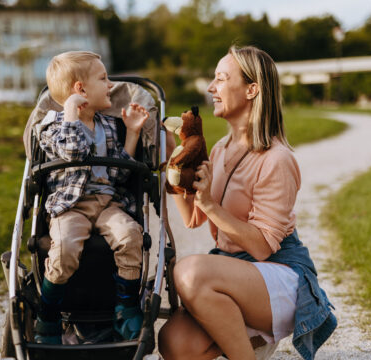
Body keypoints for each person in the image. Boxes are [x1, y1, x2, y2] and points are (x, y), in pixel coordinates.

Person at [158, 45, 336, 360]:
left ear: (252, 89)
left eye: (221, 79)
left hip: (277, 275)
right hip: (237, 274)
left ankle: (252, 342)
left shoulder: (276, 159)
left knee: (189, 272)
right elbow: (193, 220)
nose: (211, 88)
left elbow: (263, 247)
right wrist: (173, 164)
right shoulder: (221, 149)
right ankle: (251, 339)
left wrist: (212, 205)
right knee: (175, 343)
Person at [35, 51, 148, 344]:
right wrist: (71, 111)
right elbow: (72, 152)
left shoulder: (109, 126)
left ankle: (125, 305)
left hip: (107, 203)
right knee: (65, 249)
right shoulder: (51, 125)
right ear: (80, 89)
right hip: (70, 206)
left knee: (130, 234)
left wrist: (133, 133)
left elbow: (121, 174)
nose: (110, 85)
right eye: (103, 78)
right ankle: (48, 315)